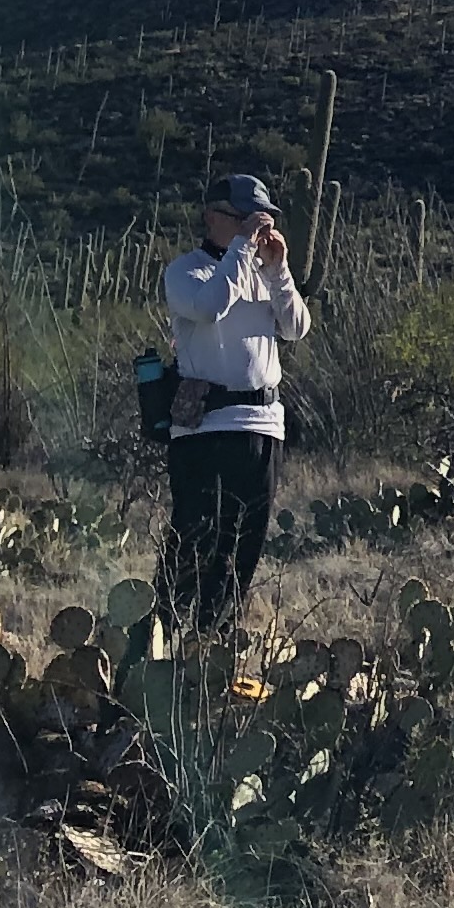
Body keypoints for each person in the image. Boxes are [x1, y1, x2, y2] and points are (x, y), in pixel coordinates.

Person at [159, 170, 314, 629]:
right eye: (244, 218)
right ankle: (163, 636)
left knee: (244, 542)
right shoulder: (187, 271)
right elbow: (209, 307)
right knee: (194, 538)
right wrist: (243, 251)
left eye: (261, 219)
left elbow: (296, 327)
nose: (256, 227)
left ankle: (216, 638)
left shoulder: (262, 273)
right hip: (205, 429)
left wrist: (279, 270)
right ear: (212, 216)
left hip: (261, 424)